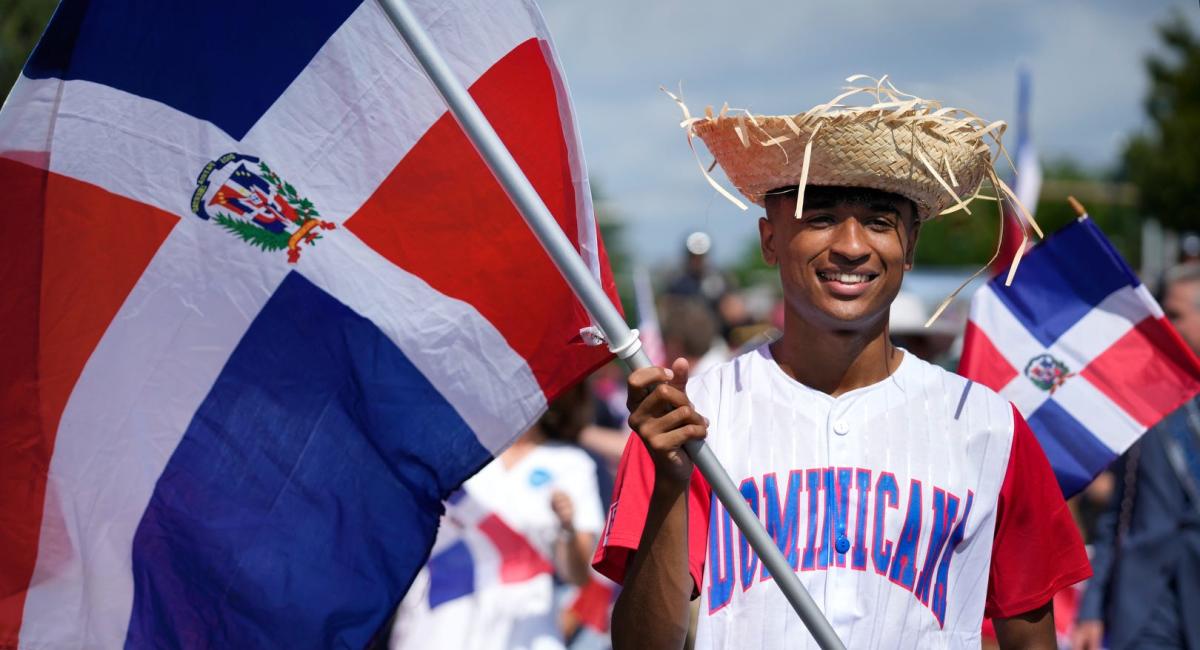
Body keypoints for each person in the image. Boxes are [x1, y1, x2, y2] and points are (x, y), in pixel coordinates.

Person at [592, 78, 1091, 649]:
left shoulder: (988, 427)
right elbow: (640, 646)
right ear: (770, 240)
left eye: (880, 221)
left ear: (912, 244)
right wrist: (671, 487)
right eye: (821, 216)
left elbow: (1032, 640)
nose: (853, 245)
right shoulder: (686, 420)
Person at [390, 386, 605, 650]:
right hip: (438, 618)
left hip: (525, 630)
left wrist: (567, 527)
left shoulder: (571, 464)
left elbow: (578, 576)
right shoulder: (450, 447)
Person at [1072, 263, 1200, 650]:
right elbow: (1118, 514)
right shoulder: (1145, 399)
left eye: (1174, 315)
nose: (1165, 325)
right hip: (1145, 604)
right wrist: (1091, 608)